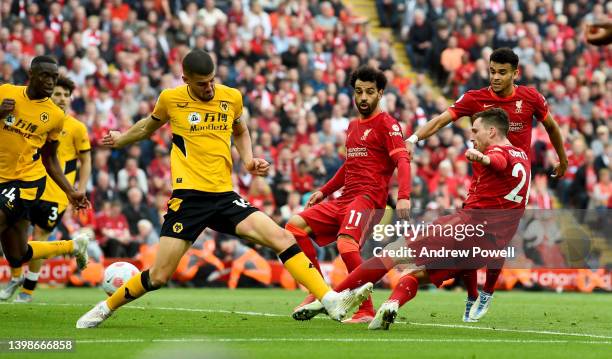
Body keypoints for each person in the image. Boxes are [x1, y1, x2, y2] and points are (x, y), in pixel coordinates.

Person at [76, 49, 371, 329]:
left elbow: (241, 131)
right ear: (186, 80)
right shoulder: (170, 99)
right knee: (159, 275)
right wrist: (122, 139)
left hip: (224, 196)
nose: (209, 88)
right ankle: (106, 307)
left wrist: (248, 160)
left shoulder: (231, 97)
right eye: (202, 84)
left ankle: (329, 299)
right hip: (189, 198)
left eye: (212, 81)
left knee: (281, 236)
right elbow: (147, 127)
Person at [307, 108, 531, 330]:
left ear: (492, 131)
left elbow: (498, 160)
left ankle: (331, 298)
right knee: (415, 274)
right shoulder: (524, 158)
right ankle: (392, 304)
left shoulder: (498, 153)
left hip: (467, 226)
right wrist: (483, 291)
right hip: (489, 245)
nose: (471, 136)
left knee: (394, 251)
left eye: (475, 130)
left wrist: (483, 158)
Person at [404, 47, 567, 321]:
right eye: (492, 71)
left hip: (513, 186)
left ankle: (486, 292)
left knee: (496, 244)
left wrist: (563, 160)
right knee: (468, 241)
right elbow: (443, 120)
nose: (495, 77)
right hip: (481, 183)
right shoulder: (475, 98)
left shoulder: (530, 98)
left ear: (516, 73)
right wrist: (413, 139)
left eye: (502, 73)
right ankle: (471, 294)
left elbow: (551, 126)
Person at [288, 65, 411, 323]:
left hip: (368, 199)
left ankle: (365, 308)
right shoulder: (353, 125)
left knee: (346, 244)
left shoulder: (387, 123)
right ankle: (318, 291)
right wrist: (324, 191)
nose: (363, 97)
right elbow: (349, 166)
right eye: (358, 92)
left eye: (369, 92)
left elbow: (403, 160)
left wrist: (404, 195)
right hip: (345, 198)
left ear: (380, 93)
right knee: (293, 227)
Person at [0, 56, 90, 301]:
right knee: (18, 255)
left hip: (26, 182)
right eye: (46, 76)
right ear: (31, 74)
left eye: (54, 76)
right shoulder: (6, 93)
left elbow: (50, 159)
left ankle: (26, 290)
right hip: (1, 178)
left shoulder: (54, 115)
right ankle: (72, 246)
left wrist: (71, 191)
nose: (51, 82)